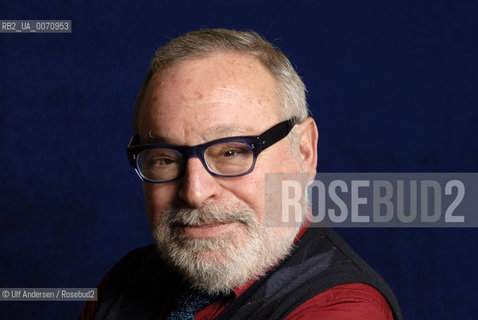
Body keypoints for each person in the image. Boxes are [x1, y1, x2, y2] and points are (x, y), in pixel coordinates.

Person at [79, 28, 402, 320]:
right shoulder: (126, 281)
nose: (194, 192)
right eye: (165, 158)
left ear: (304, 151)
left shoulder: (343, 309)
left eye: (231, 152)